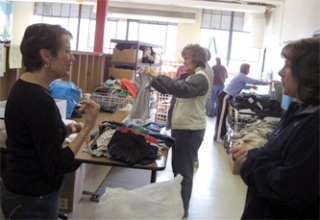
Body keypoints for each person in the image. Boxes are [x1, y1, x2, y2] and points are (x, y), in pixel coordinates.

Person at [1, 23, 100, 219]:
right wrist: (87, 127)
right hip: (32, 199)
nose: (72, 57)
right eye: (68, 51)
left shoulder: (24, 87)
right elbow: (55, 166)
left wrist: (65, 130)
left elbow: (34, 136)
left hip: (23, 192)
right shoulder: (39, 100)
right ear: (46, 56)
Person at [230, 37, 319, 219]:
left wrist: (252, 159)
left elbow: (287, 187)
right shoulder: (299, 111)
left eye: (288, 65)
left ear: (307, 71)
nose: (280, 72)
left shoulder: (315, 127)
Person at [143, 44, 210, 218]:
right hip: (183, 129)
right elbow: (171, 88)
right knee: (178, 170)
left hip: (190, 131)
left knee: (183, 172)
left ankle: (182, 211)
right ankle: (178, 205)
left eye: (187, 58)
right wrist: (153, 80)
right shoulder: (190, 76)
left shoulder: (200, 79)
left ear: (196, 59)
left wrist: (158, 75)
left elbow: (182, 90)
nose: (185, 61)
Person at [214, 63, 268, 143]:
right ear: (247, 70)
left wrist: (251, 87)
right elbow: (253, 81)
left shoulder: (240, 76)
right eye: (248, 69)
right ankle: (218, 137)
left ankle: (221, 135)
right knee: (221, 117)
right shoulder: (242, 76)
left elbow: (241, 86)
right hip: (225, 96)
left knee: (223, 116)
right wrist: (266, 83)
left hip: (225, 96)